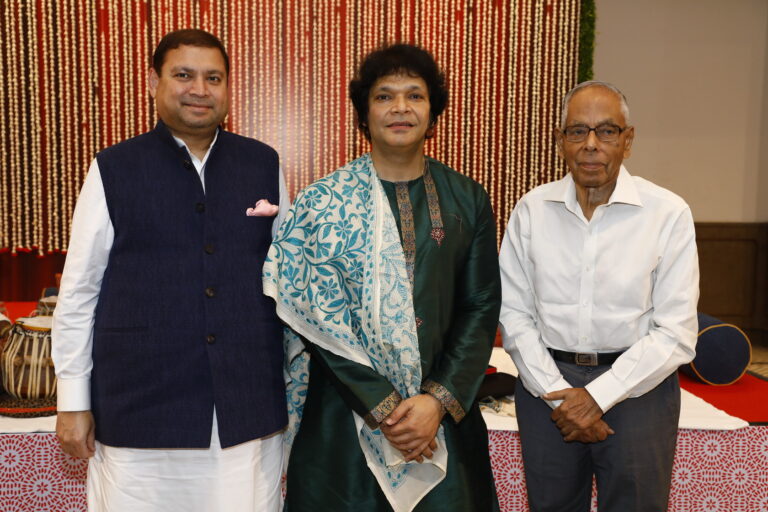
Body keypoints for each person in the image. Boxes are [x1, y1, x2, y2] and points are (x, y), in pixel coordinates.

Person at [51, 29, 289, 511]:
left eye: (213, 78)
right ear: (153, 82)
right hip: (141, 410)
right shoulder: (113, 168)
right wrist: (73, 400)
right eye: (184, 75)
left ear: (227, 88)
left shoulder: (263, 164)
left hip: (244, 409)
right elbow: (79, 291)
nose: (199, 89)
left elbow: (290, 280)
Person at [263, 43, 501, 511]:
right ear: (363, 113)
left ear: (433, 112)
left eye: (414, 96)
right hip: (344, 422)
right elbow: (315, 322)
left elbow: (479, 307)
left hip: (441, 420)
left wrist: (434, 403)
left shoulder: (468, 199)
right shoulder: (322, 203)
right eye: (384, 96)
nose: (400, 108)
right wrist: (385, 407)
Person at [499, 81, 700, 511]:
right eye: (577, 131)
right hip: (546, 391)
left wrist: (598, 397)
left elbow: (677, 331)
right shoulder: (531, 210)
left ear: (627, 141)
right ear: (561, 142)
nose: (591, 144)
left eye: (607, 131)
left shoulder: (667, 213)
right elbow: (514, 315)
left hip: (638, 391)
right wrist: (561, 393)